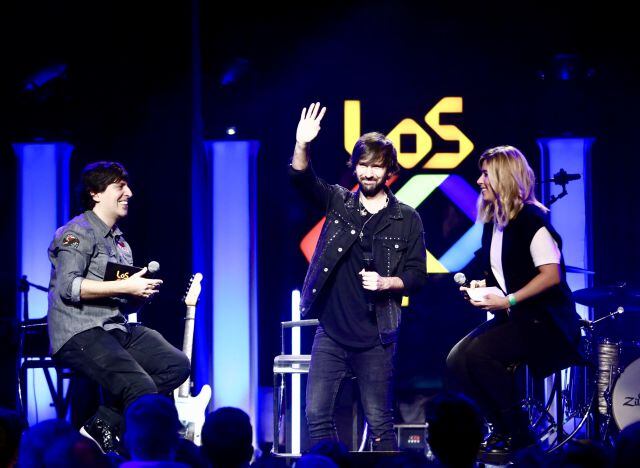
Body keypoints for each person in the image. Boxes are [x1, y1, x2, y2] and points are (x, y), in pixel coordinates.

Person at [290, 102, 427, 450]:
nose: (368, 174)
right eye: (363, 166)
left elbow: (416, 275)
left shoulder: (407, 218)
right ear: (354, 167)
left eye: (376, 167)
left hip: (377, 335)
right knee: (316, 415)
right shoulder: (339, 202)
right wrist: (302, 143)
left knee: (379, 421)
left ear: (389, 170)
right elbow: (302, 179)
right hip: (332, 331)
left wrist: (386, 283)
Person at [446, 146, 582, 455]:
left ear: (503, 177)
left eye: (485, 174)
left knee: (480, 355)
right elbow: (504, 270)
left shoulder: (532, 221)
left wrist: (508, 300)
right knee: (456, 360)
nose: (480, 181)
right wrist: (483, 286)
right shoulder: (495, 222)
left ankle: (519, 435)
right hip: (517, 317)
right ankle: (501, 428)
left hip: (544, 321)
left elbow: (551, 276)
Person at [47, 161, 190, 453]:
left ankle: (105, 421)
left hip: (114, 327)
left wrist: (138, 294)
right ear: (96, 193)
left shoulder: (121, 244)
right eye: (120, 186)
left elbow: (119, 297)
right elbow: (69, 287)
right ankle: (136, 454)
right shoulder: (77, 232)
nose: (129, 193)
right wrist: (124, 287)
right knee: (141, 389)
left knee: (177, 365)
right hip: (80, 331)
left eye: (127, 185)